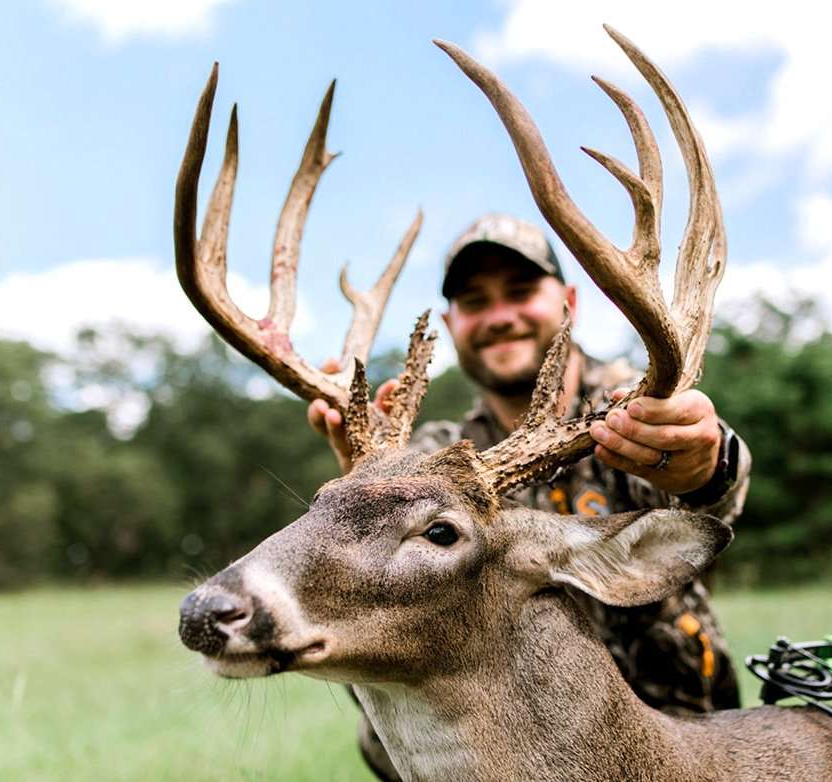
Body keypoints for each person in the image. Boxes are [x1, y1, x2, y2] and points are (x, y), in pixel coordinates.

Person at [308, 213, 752, 780]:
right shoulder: (435, 453)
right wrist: (366, 486)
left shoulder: (636, 409)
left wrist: (701, 464)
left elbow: (718, 495)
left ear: (569, 300)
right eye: (474, 302)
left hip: (674, 737)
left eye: (520, 292)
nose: (499, 316)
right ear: (449, 322)